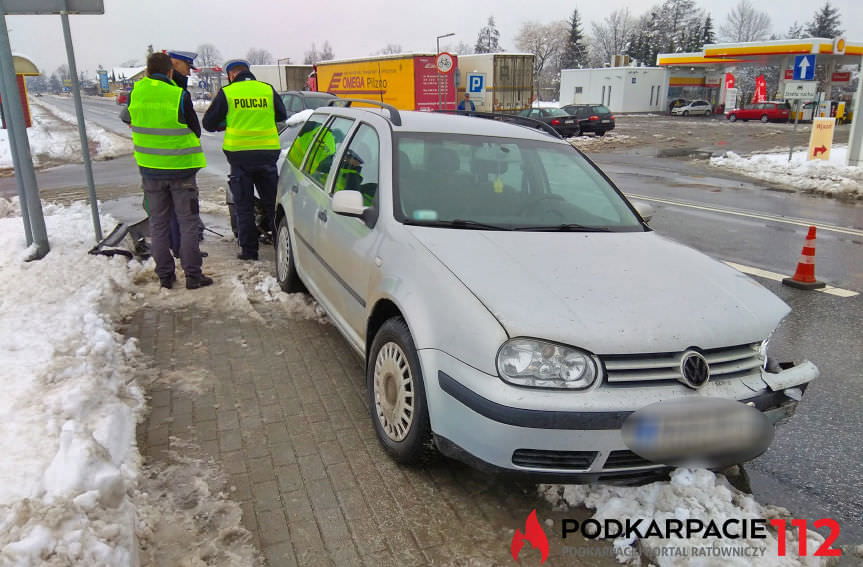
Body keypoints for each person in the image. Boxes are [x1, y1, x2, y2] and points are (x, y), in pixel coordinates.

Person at [126, 52, 212, 290]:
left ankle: (165, 276)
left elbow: (128, 117)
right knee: (188, 223)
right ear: (170, 71)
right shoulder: (177, 95)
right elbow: (195, 128)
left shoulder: (137, 92)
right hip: (181, 170)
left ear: (147, 70)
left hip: (150, 170)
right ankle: (193, 276)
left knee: (158, 224)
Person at [203, 59, 287, 261]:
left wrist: (224, 123)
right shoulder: (267, 89)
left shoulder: (228, 92)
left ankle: (249, 252)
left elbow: (208, 123)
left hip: (240, 157)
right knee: (272, 204)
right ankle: (281, 248)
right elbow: (282, 115)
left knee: (244, 206)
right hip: (267, 155)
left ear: (232, 74)